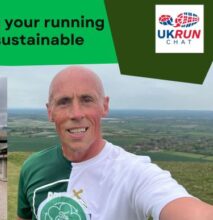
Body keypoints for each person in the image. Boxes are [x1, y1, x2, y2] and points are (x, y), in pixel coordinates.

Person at [17, 66, 213, 220]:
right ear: (50, 111)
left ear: (105, 106)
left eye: (87, 99)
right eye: (63, 102)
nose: (76, 113)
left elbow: (186, 209)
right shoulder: (32, 167)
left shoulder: (133, 173)